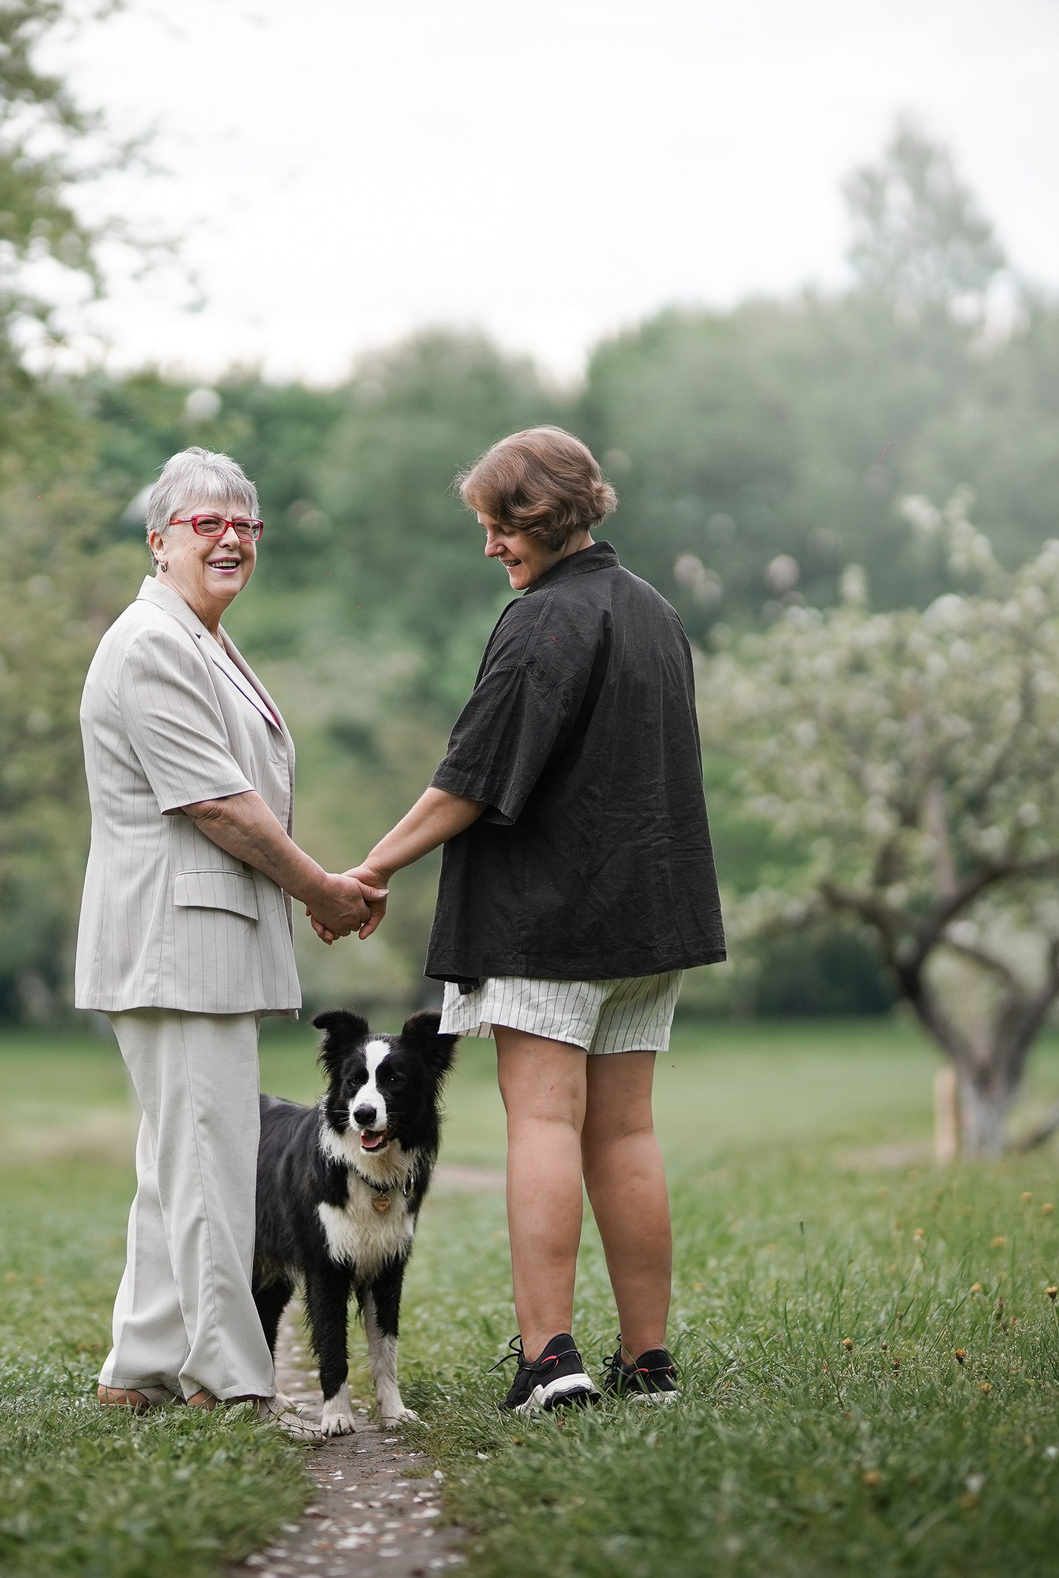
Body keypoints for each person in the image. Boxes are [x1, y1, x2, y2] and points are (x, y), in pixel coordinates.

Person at [343, 426, 725, 1414]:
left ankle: (549, 1361)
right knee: (627, 1132)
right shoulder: (653, 613)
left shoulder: (542, 621)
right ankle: (648, 1362)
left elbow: (466, 783)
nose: (488, 548)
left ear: (538, 517)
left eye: (495, 526)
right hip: (649, 922)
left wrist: (372, 866)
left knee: (545, 1123)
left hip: (550, 923)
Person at [76, 446, 382, 1433]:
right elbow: (217, 804)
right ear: (159, 539)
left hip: (197, 941)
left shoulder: (197, 637)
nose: (232, 538)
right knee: (209, 1165)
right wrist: (322, 891)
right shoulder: (151, 643)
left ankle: (140, 1362)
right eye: (207, 523)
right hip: (177, 942)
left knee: (178, 1158)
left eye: (246, 525)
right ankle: (234, 1380)